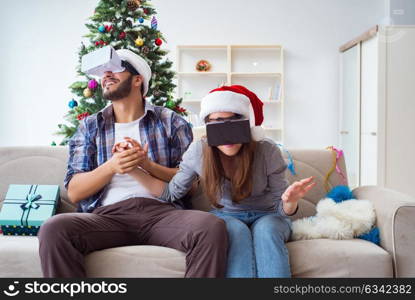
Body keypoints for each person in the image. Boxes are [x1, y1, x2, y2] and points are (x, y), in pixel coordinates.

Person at [37, 49, 228, 278]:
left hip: (163, 214)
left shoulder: (170, 121)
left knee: (210, 227)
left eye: (116, 68)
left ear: (138, 80)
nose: (106, 74)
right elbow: (75, 192)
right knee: (54, 228)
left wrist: (147, 165)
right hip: (106, 217)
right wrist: (112, 166)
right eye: (103, 71)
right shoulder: (90, 126)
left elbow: (192, 185)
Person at [123, 85, 316, 278]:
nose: (226, 130)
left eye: (233, 121)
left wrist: (290, 202)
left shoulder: (267, 150)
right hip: (227, 216)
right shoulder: (198, 151)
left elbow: (281, 208)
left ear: (247, 124)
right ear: (207, 126)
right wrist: (135, 169)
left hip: (269, 214)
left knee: (266, 230)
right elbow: (171, 193)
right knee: (234, 230)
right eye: (216, 122)